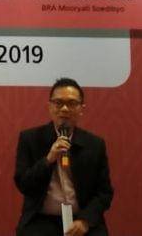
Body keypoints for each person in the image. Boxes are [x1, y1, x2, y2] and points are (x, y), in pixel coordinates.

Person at [14, 78, 112, 236]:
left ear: (81, 108)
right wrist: (48, 160)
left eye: (72, 103)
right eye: (58, 103)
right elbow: (24, 184)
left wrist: (85, 221)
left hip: (81, 219)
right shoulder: (30, 139)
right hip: (41, 219)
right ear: (49, 106)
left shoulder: (94, 145)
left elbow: (104, 193)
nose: (64, 109)